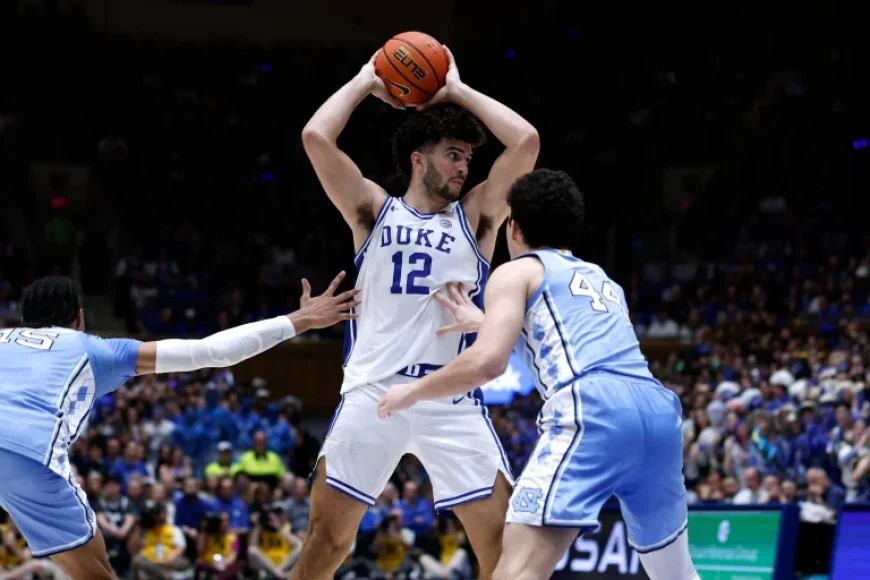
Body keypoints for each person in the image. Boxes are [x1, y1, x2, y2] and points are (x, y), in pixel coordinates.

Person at [378, 169, 700, 580]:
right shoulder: (602, 279)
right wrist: (487, 321)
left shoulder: (516, 271)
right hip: (658, 414)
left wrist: (411, 392)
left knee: (518, 570)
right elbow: (577, 339)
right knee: (676, 574)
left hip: (593, 410)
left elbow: (487, 363)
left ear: (513, 227)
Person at [296, 44, 539, 580]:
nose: (464, 167)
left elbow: (526, 141)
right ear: (418, 158)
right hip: (372, 392)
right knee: (326, 545)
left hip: (451, 396)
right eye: (453, 154)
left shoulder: (476, 218)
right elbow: (316, 137)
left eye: (468, 159)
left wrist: (456, 90)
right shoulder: (371, 211)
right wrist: (366, 80)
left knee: (504, 550)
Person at [0, 272, 359, 580]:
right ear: (79, 319)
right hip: (28, 453)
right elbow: (213, 351)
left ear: (24, 318)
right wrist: (299, 319)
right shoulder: (94, 349)